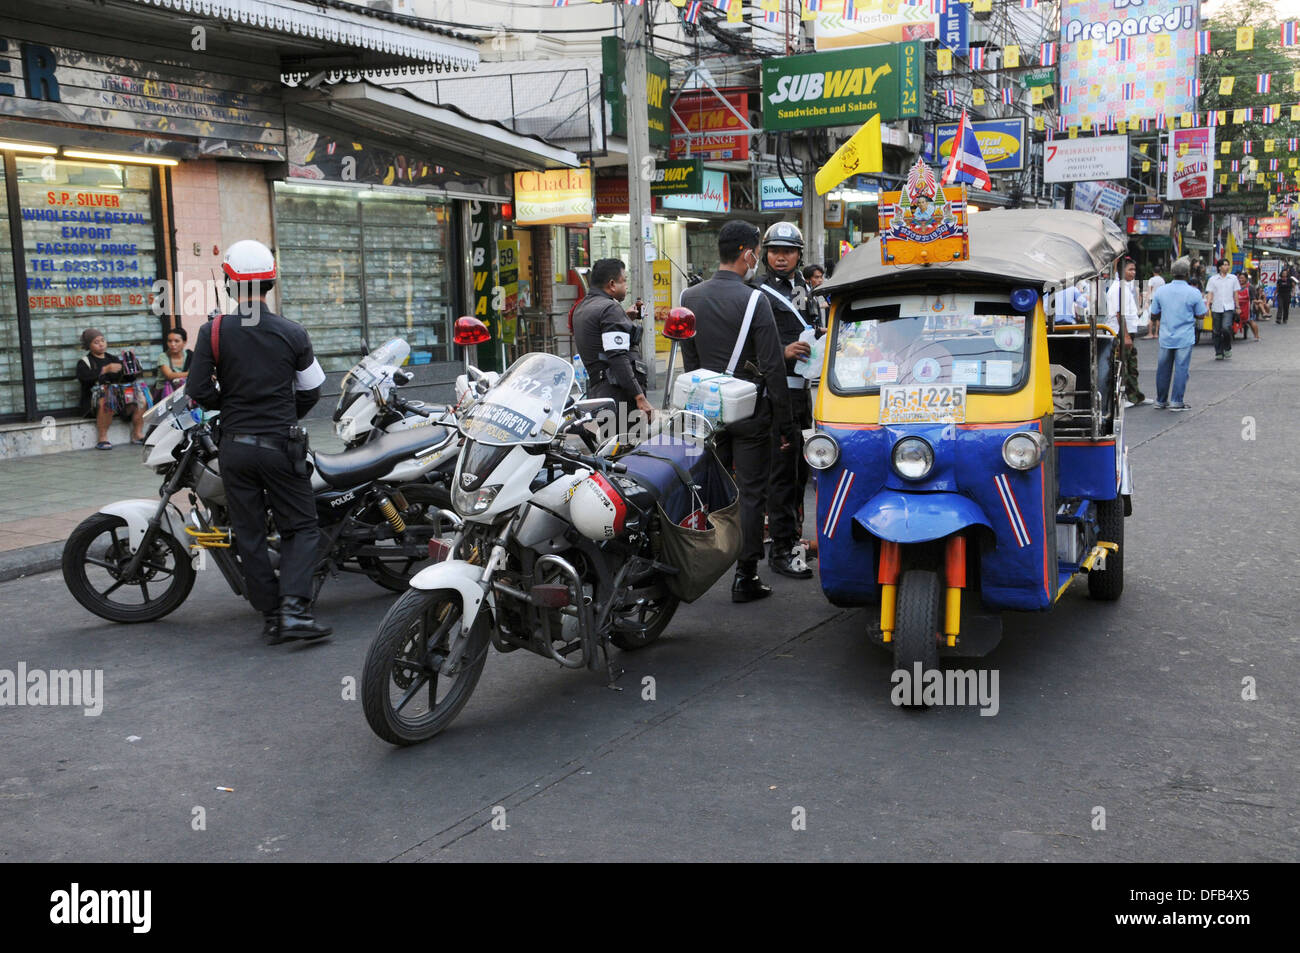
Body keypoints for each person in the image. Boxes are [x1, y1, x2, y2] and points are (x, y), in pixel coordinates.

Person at [187, 239, 331, 645]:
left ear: (231, 284)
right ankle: (295, 611)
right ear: (269, 283)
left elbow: (197, 390)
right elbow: (314, 390)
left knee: (248, 533)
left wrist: (230, 405)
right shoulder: (291, 332)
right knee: (300, 528)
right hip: (281, 447)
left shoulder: (212, 331)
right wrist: (285, 415)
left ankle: (271, 616)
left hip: (234, 448)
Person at [680, 221, 795, 603]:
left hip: (706, 410)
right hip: (749, 411)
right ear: (748, 253)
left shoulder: (689, 295)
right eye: (757, 252)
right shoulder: (754, 300)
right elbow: (773, 366)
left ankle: (703, 560)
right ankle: (745, 575)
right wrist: (786, 424)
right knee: (750, 493)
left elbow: (690, 359)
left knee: (710, 489)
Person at [758, 222, 823, 580]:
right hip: (777, 394)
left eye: (788, 251)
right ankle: (781, 550)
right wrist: (781, 352)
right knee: (781, 475)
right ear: (766, 255)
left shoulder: (806, 291)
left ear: (799, 255)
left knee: (801, 473)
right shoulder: (759, 293)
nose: (781, 257)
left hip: (806, 394)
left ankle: (794, 539)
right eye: (774, 251)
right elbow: (750, 350)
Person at [571, 257, 653, 438]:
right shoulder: (609, 309)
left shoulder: (582, 307)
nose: (626, 286)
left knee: (613, 450)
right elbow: (617, 357)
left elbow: (600, 339)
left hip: (602, 392)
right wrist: (639, 397)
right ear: (612, 284)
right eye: (624, 281)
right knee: (627, 452)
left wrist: (624, 318)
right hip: (618, 395)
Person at [1149, 257, 1207, 412]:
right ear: (1187, 274)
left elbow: (1153, 314)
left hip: (1166, 336)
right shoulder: (1193, 292)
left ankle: (1161, 401)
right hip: (1185, 337)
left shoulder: (1161, 291)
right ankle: (1176, 401)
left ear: (1171, 273)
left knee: (1163, 369)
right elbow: (1201, 314)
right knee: (1181, 369)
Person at [75, 328, 145, 450]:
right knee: (107, 398)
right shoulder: (84, 362)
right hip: (94, 403)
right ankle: (102, 438)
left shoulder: (113, 358)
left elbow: (125, 379)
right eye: (96, 342)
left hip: (118, 399)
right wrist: (104, 370)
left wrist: (131, 368)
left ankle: (137, 434)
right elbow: (85, 380)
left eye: (103, 340)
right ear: (89, 345)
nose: (101, 344)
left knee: (141, 398)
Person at [1107, 260, 1148, 408]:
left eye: (1134, 269)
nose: (1133, 272)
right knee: (1122, 365)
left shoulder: (1125, 287)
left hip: (1128, 330)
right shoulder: (1118, 289)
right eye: (1130, 269)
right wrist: (1125, 336)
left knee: (1131, 365)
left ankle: (1135, 396)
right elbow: (1119, 314)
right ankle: (1123, 398)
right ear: (1121, 271)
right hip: (1121, 331)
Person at [1204, 258, 1239, 361]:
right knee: (1216, 331)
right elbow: (1210, 293)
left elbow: (1235, 293)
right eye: (1224, 265)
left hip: (1228, 307)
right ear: (1219, 267)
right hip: (1216, 307)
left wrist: (1237, 306)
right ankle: (1218, 352)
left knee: (1226, 327)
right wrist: (1207, 306)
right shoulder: (1213, 279)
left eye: (1227, 265)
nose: (1226, 267)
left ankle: (1227, 347)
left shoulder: (1233, 278)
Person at [157, 327, 191, 398]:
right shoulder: (163, 356)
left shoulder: (190, 355)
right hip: (165, 395)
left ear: (184, 342)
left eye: (176, 341)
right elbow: (169, 375)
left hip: (185, 393)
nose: (172, 344)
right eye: (170, 341)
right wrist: (191, 373)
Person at [1143, 268, 1166, 339]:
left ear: (1153, 272)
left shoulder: (1151, 280)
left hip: (1153, 299)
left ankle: (1150, 333)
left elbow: (1149, 290)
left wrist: (1146, 301)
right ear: (1160, 272)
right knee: (1158, 318)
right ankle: (1156, 333)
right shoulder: (1162, 280)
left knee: (1151, 317)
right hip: (1161, 299)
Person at [1240, 273, 1262, 342]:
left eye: (1242, 278)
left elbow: (1253, 298)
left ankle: (1257, 336)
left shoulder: (1250, 287)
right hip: (1237, 307)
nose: (1241, 279)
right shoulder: (1236, 286)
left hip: (1247, 307)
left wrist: (1257, 302)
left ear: (1246, 279)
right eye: (1240, 278)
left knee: (1250, 321)